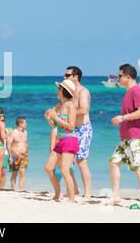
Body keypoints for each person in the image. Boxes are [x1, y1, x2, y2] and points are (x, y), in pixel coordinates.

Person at [108, 64, 140, 208]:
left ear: (127, 77)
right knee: (113, 162)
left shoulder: (136, 91)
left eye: (119, 76)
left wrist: (123, 117)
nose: (117, 78)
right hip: (126, 138)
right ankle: (116, 196)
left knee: (139, 169)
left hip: (137, 137)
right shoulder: (128, 92)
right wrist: (121, 119)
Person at [44, 80, 79, 203]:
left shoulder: (71, 106)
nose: (57, 91)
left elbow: (71, 126)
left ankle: (72, 198)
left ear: (64, 91)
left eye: (59, 89)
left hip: (70, 139)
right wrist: (49, 119)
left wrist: (55, 117)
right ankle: (58, 193)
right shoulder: (58, 105)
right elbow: (55, 125)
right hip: (61, 141)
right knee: (48, 168)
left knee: (64, 170)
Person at [65, 66, 93, 199]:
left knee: (82, 162)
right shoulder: (69, 92)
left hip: (83, 129)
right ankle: (74, 189)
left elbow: (84, 110)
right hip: (71, 128)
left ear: (75, 77)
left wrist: (68, 111)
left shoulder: (83, 91)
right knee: (65, 161)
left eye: (67, 75)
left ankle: (87, 194)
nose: (64, 78)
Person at [7, 117, 29, 191]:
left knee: (22, 173)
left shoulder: (25, 132)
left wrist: (27, 153)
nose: (26, 124)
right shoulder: (13, 132)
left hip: (24, 156)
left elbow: (26, 143)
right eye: (25, 123)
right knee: (14, 174)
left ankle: (21, 190)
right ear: (20, 124)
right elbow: (9, 144)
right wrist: (10, 156)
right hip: (15, 156)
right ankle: (13, 188)